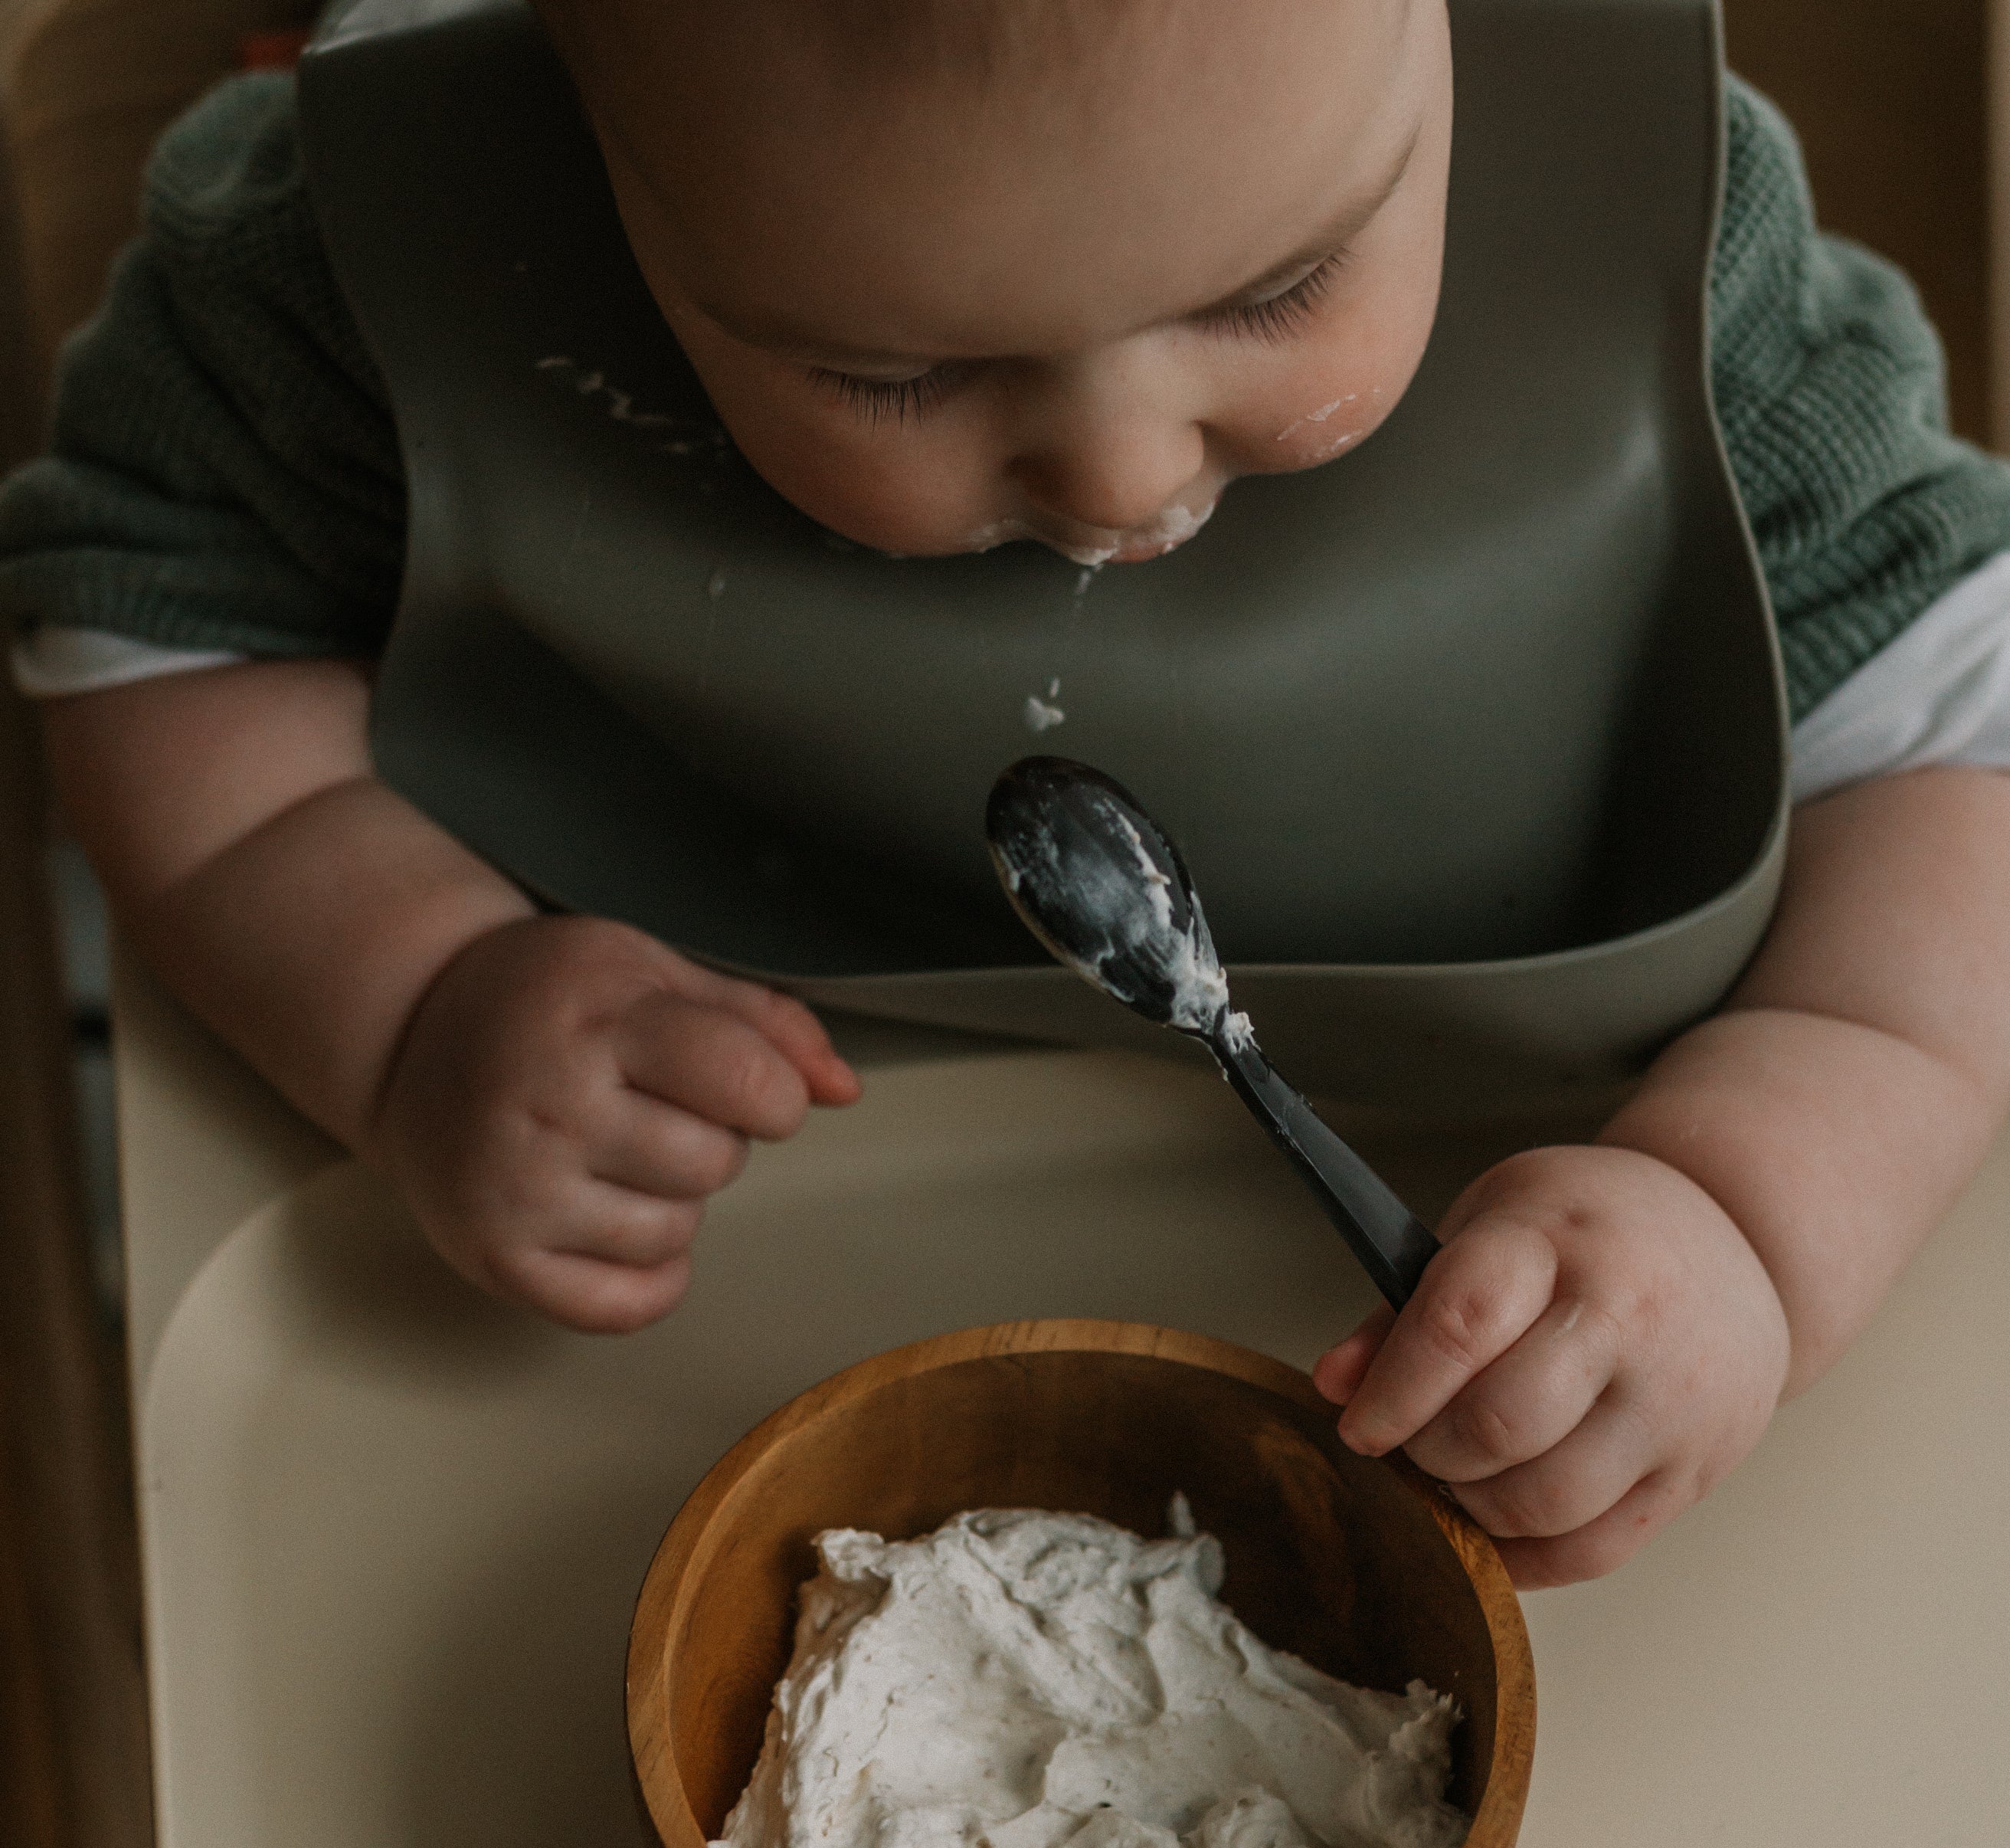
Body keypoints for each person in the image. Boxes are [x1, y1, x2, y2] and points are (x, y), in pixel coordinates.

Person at [5, 0, 2010, 1589]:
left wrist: (1754, 1210)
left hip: (1525, 1204)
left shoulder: (1661, 235)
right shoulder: (365, 268)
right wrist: (409, 1001)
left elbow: (1957, 729)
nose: (1127, 477)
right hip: (705, 1319)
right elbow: (145, 627)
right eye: (897, 376)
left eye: (1281, 288)